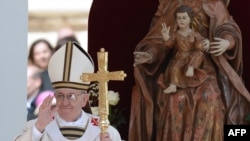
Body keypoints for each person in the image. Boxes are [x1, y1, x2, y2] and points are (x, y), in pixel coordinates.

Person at [129, 0, 250, 141]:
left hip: (205, 65)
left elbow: (227, 28)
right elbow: (158, 40)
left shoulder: (215, 4)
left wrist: (227, 42)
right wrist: (150, 55)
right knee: (175, 100)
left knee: (209, 96)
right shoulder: (174, 4)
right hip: (178, 65)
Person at [15, 41, 122, 141]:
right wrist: (39, 127)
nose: (65, 102)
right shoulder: (36, 128)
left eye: (71, 96)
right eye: (60, 95)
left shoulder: (106, 131)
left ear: (84, 99)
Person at [157, 5, 209, 94]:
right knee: (174, 68)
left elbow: (200, 45)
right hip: (180, 57)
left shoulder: (194, 34)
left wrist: (206, 42)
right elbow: (169, 45)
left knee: (199, 54)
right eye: (179, 18)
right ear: (176, 21)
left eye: (184, 18)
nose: (181, 20)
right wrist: (166, 37)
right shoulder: (175, 34)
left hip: (192, 57)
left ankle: (191, 68)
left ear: (190, 19)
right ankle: (173, 86)